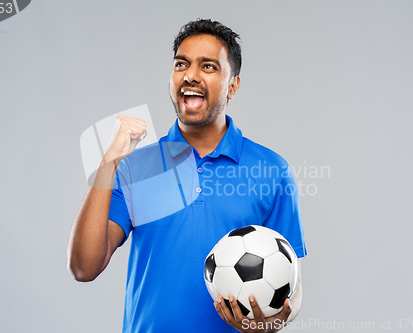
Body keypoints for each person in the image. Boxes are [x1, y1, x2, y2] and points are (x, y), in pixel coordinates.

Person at [68, 18, 307, 333]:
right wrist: (108, 161)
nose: (190, 75)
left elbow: (291, 290)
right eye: (181, 64)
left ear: (233, 85)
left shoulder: (272, 170)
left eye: (208, 67)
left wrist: (267, 326)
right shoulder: (135, 166)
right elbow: (84, 267)